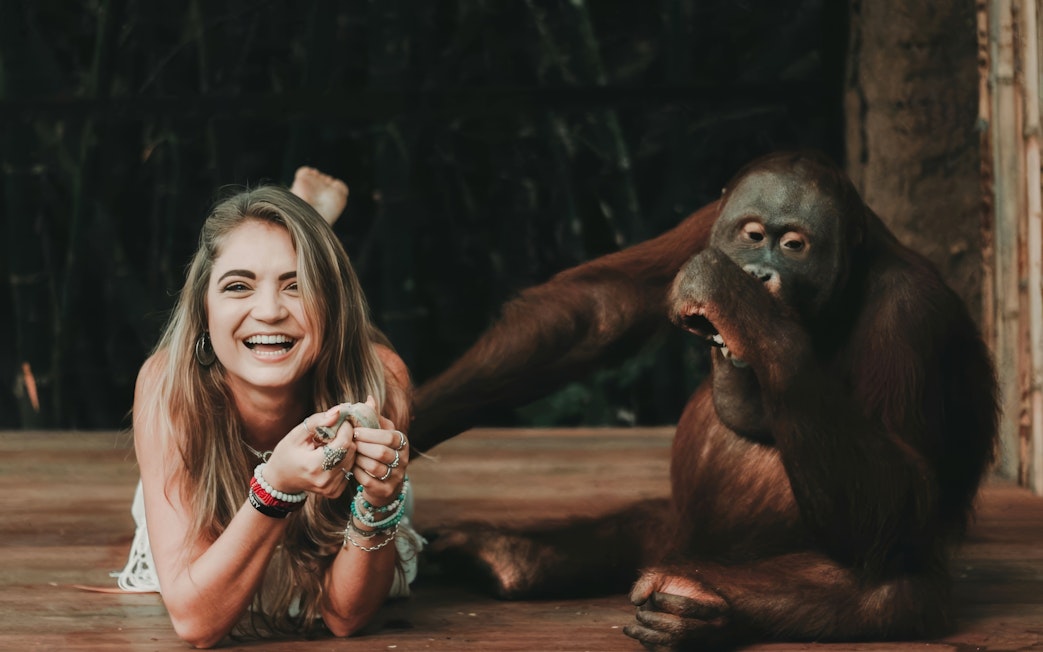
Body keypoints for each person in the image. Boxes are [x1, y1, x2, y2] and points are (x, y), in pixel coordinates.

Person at [115, 169, 420, 647]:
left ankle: (303, 236)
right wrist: (276, 487)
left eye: (297, 285)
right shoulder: (167, 387)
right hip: (204, 480)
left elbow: (345, 618)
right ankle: (302, 224)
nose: (271, 311)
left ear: (331, 305)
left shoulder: (379, 380)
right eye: (238, 286)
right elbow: (196, 624)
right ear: (203, 311)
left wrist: (379, 501)